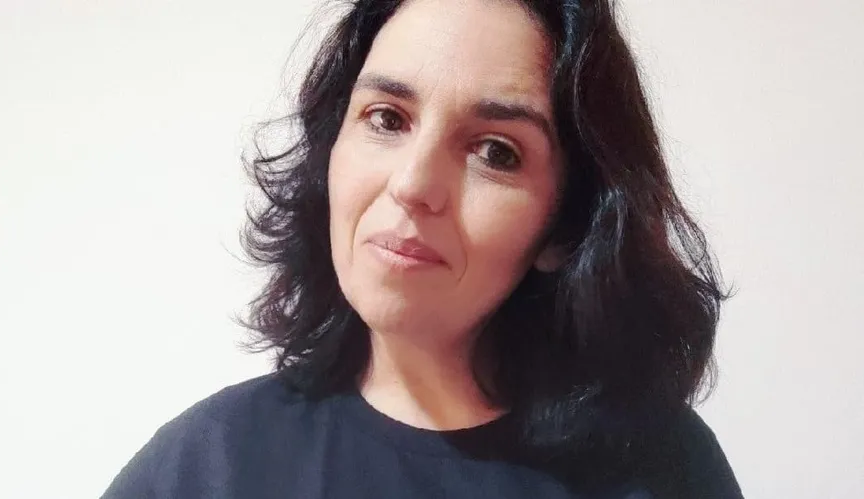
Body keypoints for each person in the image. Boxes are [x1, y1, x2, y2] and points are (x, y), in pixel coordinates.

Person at [102, 0, 744, 497]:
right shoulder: (207, 465)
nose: (412, 184)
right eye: (386, 118)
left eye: (496, 151)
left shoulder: (660, 468)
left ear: (564, 228)